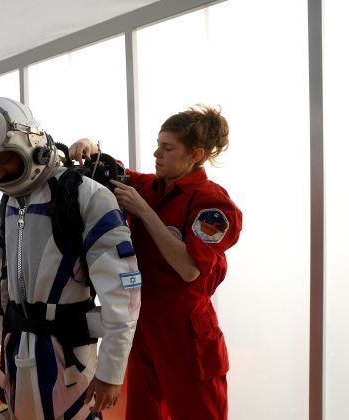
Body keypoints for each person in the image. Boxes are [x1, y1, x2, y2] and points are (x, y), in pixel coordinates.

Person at [0, 97, 141, 419]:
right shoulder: (8, 205)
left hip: (69, 355)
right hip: (18, 348)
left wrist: (112, 372)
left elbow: (123, 293)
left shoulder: (86, 195)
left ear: (33, 148)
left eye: (5, 160)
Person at [69, 104, 242, 420]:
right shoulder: (149, 187)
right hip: (143, 325)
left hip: (186, 333)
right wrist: (90, 148)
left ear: (195, 155)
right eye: (158, 144)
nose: (156, 153)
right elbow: (112, 170)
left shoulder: (212, 203)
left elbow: (189, 268)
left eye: (167, 147)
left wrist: (145, 212)